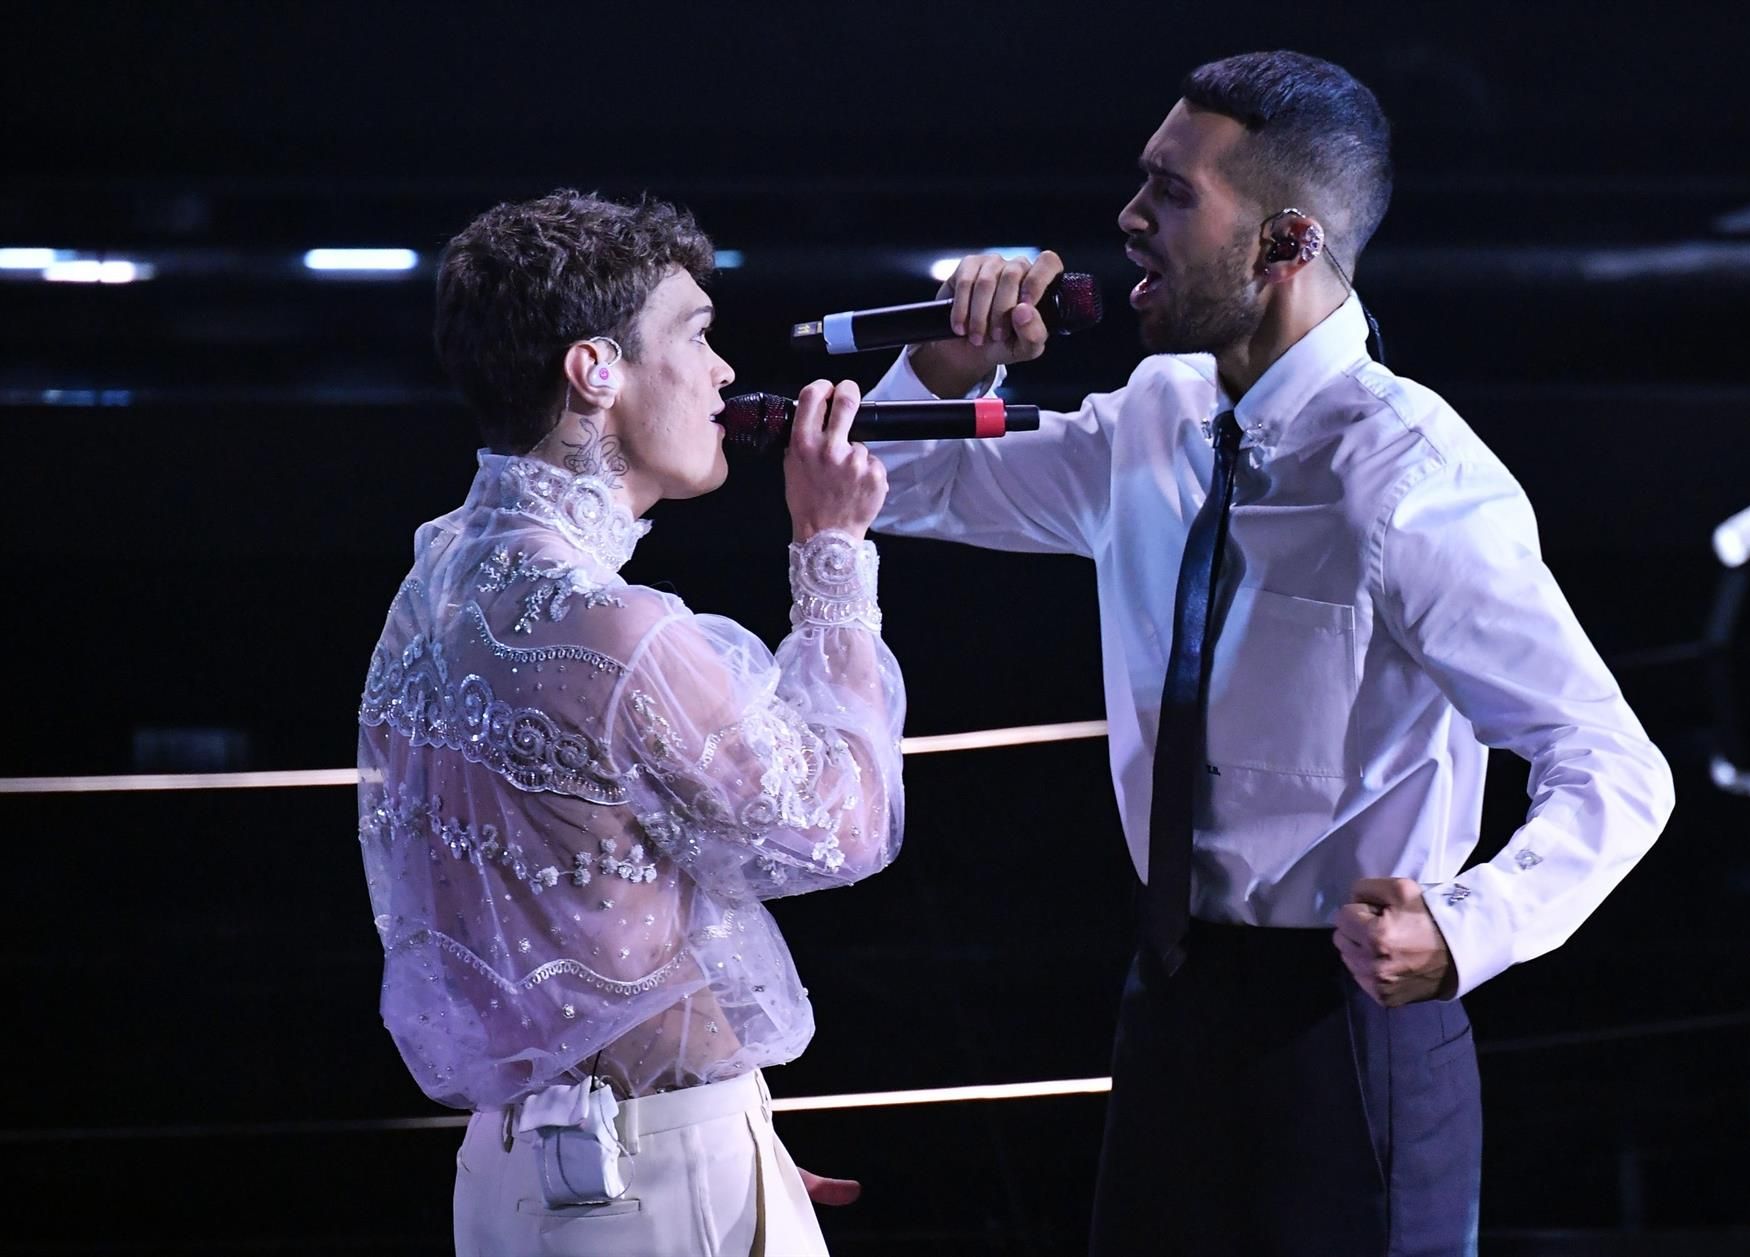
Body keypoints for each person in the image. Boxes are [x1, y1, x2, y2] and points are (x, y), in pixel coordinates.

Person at [863, 51, 1676, 1255]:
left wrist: (1468, 927)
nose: (1130, 221)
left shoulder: (1412, 481)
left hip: (1349, 1030)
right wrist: (951, 352)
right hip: (1170, 1003)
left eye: (1174, 194)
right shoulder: (1154, 414)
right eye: (1143, 182)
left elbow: (1613, 763)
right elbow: (896, 482)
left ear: (1285, 241)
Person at [356, 189, 898, 1255]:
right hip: (648, 1170)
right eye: (694, 337)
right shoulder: (613, 628)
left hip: (515, 1173)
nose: (725, 373)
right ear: (595, 369)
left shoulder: (434, 585)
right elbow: (845, 823)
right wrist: (832, 556)